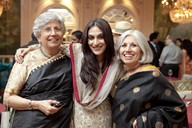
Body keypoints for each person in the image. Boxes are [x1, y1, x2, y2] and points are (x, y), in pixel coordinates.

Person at [14, 18, 124, 127]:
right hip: (78, 118)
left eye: (100, 37)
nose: (95, 42)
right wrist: (29, 48)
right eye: (91, 38)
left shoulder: (116, 64)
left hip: (103, 118)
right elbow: (54, 45)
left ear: (108, 38)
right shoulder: (78, 52)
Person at [3, 11, 73, 128]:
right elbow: (8, 98)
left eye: (57, 29)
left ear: (63, 33)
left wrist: (31, 46)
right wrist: (37, 105)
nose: (53, 33)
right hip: (29, 123)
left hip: (61, 122)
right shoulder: (26, 60)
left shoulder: (71, 57)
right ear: (38, 36)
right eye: (47, 29)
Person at [112, 29, 188, 128]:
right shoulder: (120, 74)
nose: (127, 49)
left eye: (134, 45)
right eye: (124, 45)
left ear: (142, 50)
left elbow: (178, 109)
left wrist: (145, 120)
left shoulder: (152, 76)